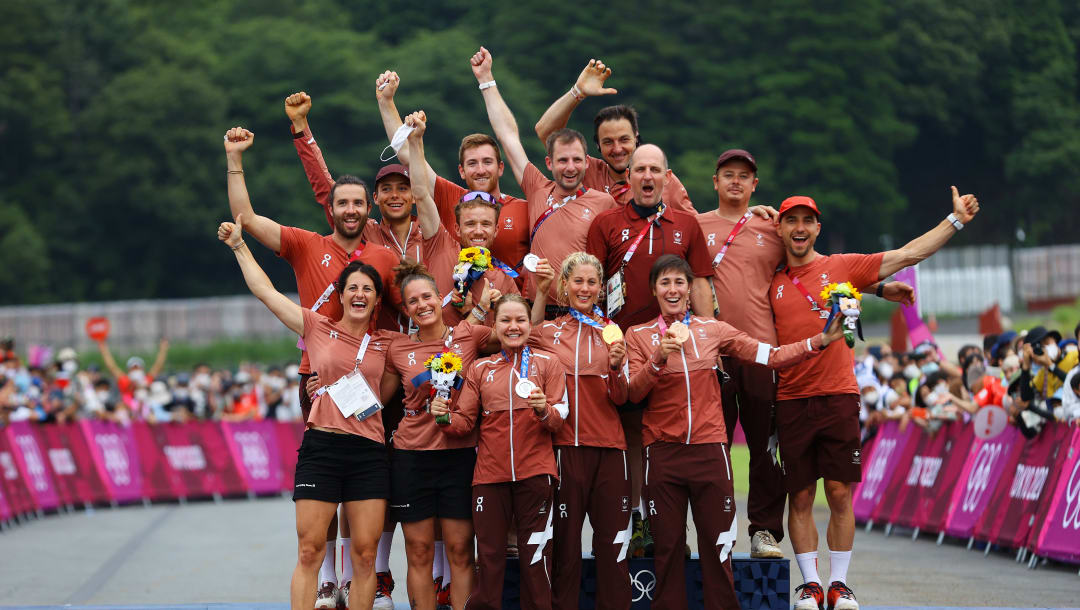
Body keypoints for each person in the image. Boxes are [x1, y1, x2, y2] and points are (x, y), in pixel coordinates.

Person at [696, 149, 915, 560]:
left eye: (744, 176)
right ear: (715, 181)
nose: (736, 182)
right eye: (728, 175)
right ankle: (716, 528)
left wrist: (880, 288)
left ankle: (763, 532)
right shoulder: (697, 226)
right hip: (717, 356)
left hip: (766, 355)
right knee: (713, 449)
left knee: (764, 448)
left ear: (755, 184)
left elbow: (817, 269)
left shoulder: (771, 227)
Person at [769, 189, 978, 610]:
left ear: (818, 229)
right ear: (780, 227)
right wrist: (880, 291)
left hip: (839, 396)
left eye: (807, 221)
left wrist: (953, 221)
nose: (799, 229)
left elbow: (907, 255)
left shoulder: (841, 267)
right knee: (802, 496)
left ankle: (839, 585)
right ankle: (810, 585)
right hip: (790, 397)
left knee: (841, 492)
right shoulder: (768, 276)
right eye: (791, 220)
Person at [224, 126, 402, 609]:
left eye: (359, 203)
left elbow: (420, 309)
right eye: (341, 203)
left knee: (365, 549)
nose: (350, 210)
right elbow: (248, 220)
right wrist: (235, 159)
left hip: (368, 394)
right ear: (331, 208)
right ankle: (325, 584)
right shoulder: (307, 248)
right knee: (309, 543)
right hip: (317, 381)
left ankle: (364, 587)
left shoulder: (386, 257)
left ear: (369, 209)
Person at [625, 254, 845, 610]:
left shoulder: (713, 330)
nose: (673, 289)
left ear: (691, 289)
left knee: (718, 547)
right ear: (654, 290)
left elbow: (770, 355)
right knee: (666, 551)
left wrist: (817, 341)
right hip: (662, 454)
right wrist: (657, 358)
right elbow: (633, 393)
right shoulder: (638, 336)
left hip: (710, 452)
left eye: (680, 282)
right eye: (664, 283)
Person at [430, 294, 568, 610]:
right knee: (490, 559)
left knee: (535, 556)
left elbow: (561, 416)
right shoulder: (480, 368)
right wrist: (442, 415)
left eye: (520, 319)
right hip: (490, 477)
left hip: (536, 473)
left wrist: (543, 410)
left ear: (529, 324)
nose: (513, 326)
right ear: (495, 325)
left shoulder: (549, 363)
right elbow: (463, 422)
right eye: (505, 320)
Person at [382, 260, 501, 610]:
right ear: (406, 309)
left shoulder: (467, 335)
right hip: (411, 457)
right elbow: (377, 398)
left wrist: (533, 296)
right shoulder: (398, 349)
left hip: (459, 455)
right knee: (418, 551)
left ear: (440, 297)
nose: (422, 305)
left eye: (427, 297)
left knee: (461, 550)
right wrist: (320, 387)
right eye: (413, 301)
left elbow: (516, 334)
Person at [470, 47, 618, 303]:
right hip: (536, 313)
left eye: (576, 160)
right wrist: (486, 80)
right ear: (549, 162)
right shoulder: (537, 187)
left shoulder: (603, 203)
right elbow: (507, 136)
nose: (570, 167)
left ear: (586, 163)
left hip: (583, 312)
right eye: (562, 160)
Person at [528, 252, 632, 610]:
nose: (584, 288)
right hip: (564, 450)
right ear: (565, 286)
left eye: (591, 282)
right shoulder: (549, 332)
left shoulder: (614, 334)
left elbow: (622, 398)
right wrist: (540, 294)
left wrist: (617, 368)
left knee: (614, 549)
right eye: (578, 281)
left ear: (601, 289)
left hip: (609, 451)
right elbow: (524, 342)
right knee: (566, 550)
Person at [373, 72, 530, 278]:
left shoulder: (524, 209)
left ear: (501, 168)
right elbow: (407, 155)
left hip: (509, 304)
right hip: (457, 303)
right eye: (472, 163)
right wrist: (386, 101)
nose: (480, 170)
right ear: (461, 171)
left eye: (487, 162)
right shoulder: (452, 198)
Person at [285, 92, 428, 275]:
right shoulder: (364, 231)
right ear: (375, 198)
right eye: (386, 189)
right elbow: (325, 187)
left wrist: (416, 142)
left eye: (402, 188)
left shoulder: (430, 232)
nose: (394, 195)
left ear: (415, 196)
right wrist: (300, 125)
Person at [401, 110, 519, 326]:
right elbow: (420, 193)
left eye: (485, 224)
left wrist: (474, 313)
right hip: (428, 354)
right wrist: (416, 142)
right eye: (470, 224)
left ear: (496, 231)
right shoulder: (441, 246)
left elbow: (504, 338)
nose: (478, 231)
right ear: (456, 229)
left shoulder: (504, 280)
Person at [533, 59, 694, 214]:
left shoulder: (662, 180)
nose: (617, 149)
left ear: (636, 138)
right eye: (608, 142)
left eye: (624, 140)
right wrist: (578, 92)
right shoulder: (587, 172)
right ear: (597, 145)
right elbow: (546, 132)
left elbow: (696, 230)